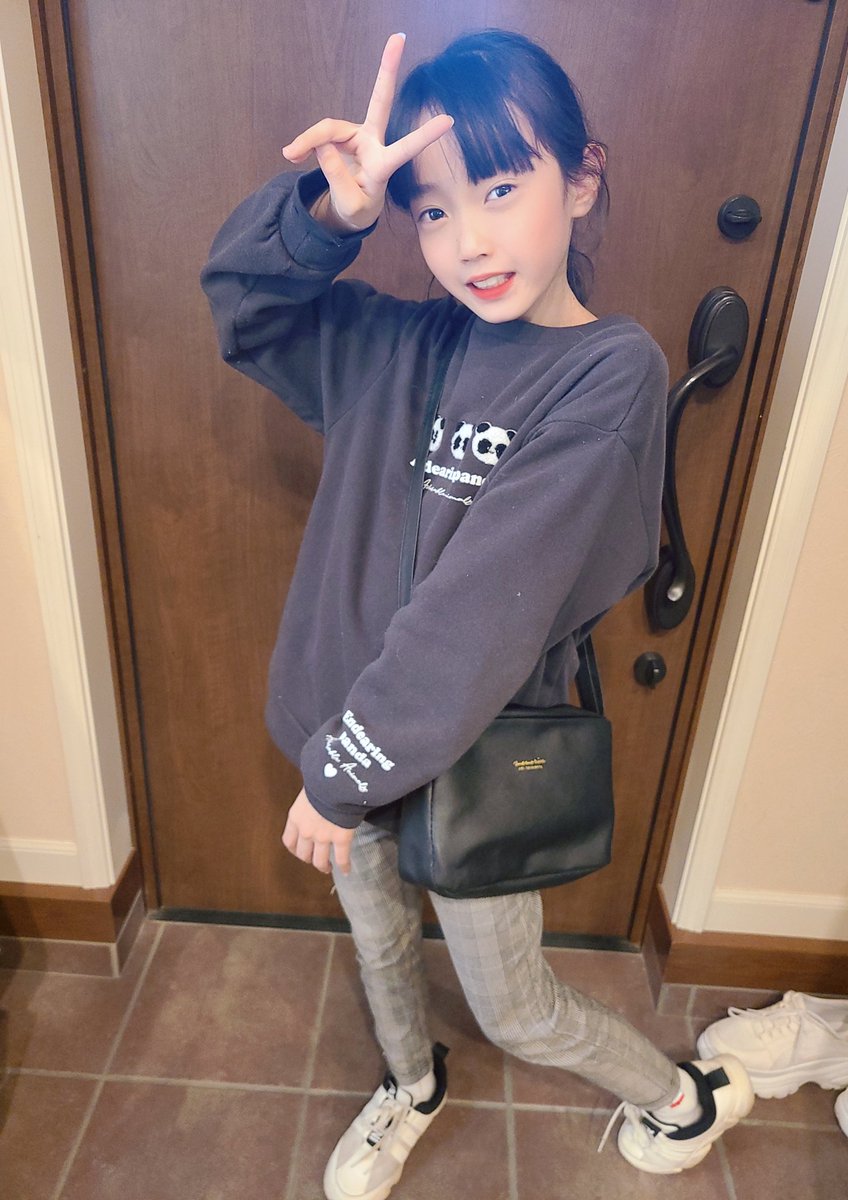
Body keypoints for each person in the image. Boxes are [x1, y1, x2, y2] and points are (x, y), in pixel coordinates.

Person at [200, 28, 754, 1198]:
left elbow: (476, 619)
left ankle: (680, 1096)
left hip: (465, 767)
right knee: (379, 944)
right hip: (344, 752)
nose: (470, 243)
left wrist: (339, 774)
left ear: (583, 178)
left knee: (515, 1006)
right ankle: (411, 1083)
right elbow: (244, 309)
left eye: (501, 189)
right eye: (434, 212)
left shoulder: (609, 373)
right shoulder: (394, 346)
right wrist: (332, 216)